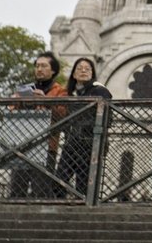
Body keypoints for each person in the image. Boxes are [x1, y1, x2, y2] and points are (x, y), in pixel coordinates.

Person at [8, 51, 68, 198]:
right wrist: (14, 102)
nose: (39, 69)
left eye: (44, 66)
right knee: (17, 188)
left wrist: (46, 101)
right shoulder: (26, 89)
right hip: (23, 143)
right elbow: (12, 112)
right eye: (37, 66)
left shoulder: (60, 91)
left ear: (53, 70)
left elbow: (63, 114)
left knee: (40, 189)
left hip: (46, 146)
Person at [56, 57, 112, 197]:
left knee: (83, 186)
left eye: (87, 68)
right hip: (71, 143)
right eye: (79, 68)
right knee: (58, 181)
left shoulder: (100, 90)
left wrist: (84, 126)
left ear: (92, 73)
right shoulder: (70, 93)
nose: (83, 71)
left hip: (90, 144)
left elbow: (107, 118)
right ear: (74, 74)